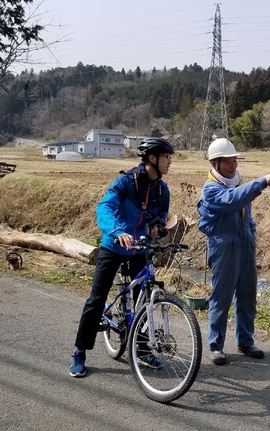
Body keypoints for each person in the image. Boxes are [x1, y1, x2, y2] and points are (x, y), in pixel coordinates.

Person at [70, 137, 174, 377]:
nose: (170, 162)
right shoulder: (125, 182)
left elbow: (159, 214)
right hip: (114, 246)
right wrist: (118, 231)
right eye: (166, 157)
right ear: (152, 159)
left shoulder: (162, 189)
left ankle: (141, 348)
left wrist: (157, 226)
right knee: (96, 299)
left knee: (145, 298)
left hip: (140, 247)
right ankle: (80, 350)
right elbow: (104, 207)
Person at [197, 138, 270, 366]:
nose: (232, 165)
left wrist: (251, 233)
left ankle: (245, 341)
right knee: (221, 297)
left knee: (247, 295)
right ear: (215, 164)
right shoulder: (212, 189)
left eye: (234, 161)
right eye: (227, 162)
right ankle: (216, 345)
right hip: (224, 247)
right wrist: (262, 181)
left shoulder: (236, 181)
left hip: (245, 244)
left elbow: (246, 211)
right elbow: (233, 201)